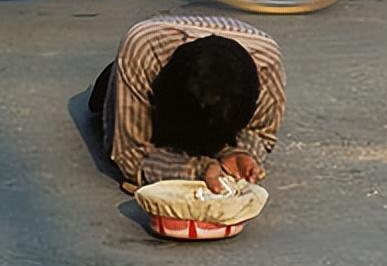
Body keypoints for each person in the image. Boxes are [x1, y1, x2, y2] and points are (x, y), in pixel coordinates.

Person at [88, 16, 285, 194]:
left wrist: (241, 152)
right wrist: (197, 170)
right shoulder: (142, 50)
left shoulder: (266, 64)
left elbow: (261, 134)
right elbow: (129, 156)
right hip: (145, 67)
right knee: (104, 110)